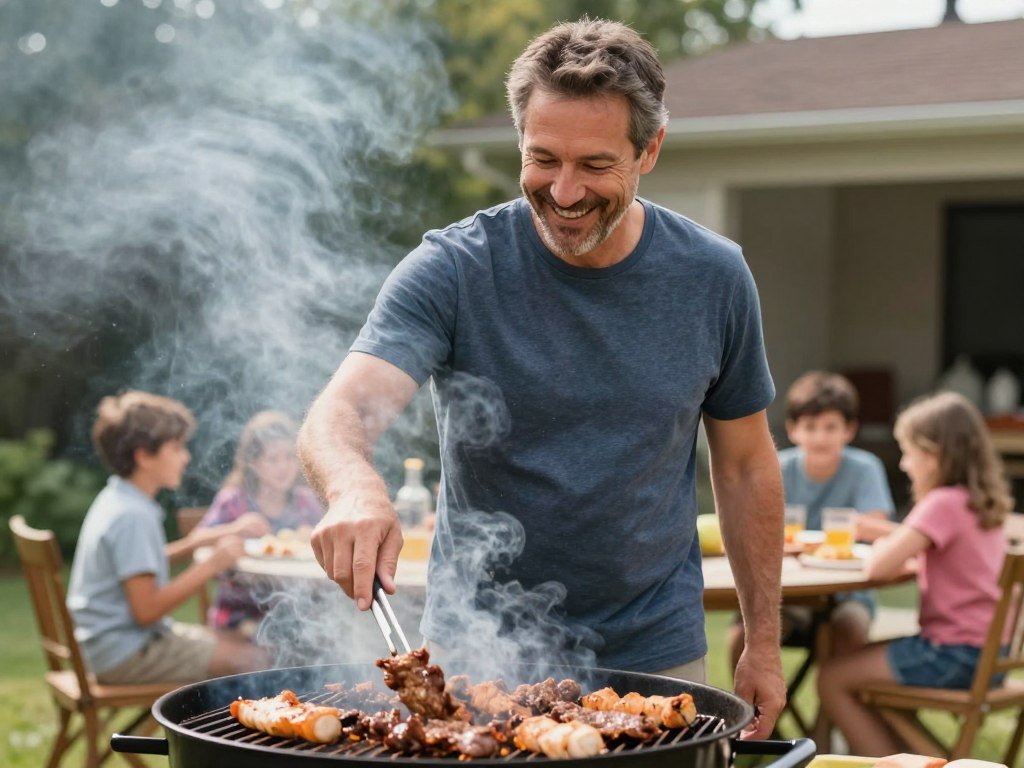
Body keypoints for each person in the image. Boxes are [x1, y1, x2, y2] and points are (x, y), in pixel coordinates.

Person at [298, 18, 785, 737]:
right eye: (541, 158)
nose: (562, 191)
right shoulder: (455, 269)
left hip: (655, 656)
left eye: (594, 164)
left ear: (649, 149)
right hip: (479, 656)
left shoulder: (713, 277)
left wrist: (764, 643)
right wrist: (352, 486)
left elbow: (744, 466)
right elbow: (339, 412)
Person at [817, 391, 1013, 756]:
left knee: (832, 679)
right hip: (987, 655)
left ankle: (890, 766)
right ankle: (919, 760)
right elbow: (942, 552)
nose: (905, 465)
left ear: (934, 454)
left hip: (950, 655)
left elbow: (878, 566)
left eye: (908, 452)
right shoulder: (979, 503)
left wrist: (881, 544)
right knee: (852, 661)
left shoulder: (940, 503)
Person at [66, 391, 270, 684]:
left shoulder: (120, 499)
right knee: (257, 659)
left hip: (111, 647)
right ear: (143, 456)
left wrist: (202, 541)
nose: (185, 457)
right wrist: (212, 565)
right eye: (176, 448)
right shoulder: (132, 517)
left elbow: (142, 562)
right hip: (128, 654)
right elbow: (147, 611)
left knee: (244, 642)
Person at [727, 371, 895, 668]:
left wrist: (860, 525)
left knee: (849, 632)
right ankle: (756, 715)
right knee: (740, 638)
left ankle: (829, 715)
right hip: (783, 592)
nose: (820, 437)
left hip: (847, 593)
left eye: (831, 427)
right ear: (793, 430)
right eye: (810, 426)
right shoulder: (776, 467)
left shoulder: (865, 469)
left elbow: (877, 531)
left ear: (849, 430)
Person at [198, 410, 323, 638]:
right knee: (280, 642)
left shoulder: (305, 502)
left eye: (290, 457)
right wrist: (232, 530)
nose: (283, 466)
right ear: (253, 463)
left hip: (298, 613)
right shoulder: (234, 502)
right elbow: (196, 545)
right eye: (273, 459)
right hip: (239, 615)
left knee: (318, 639)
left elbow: (329, 540)